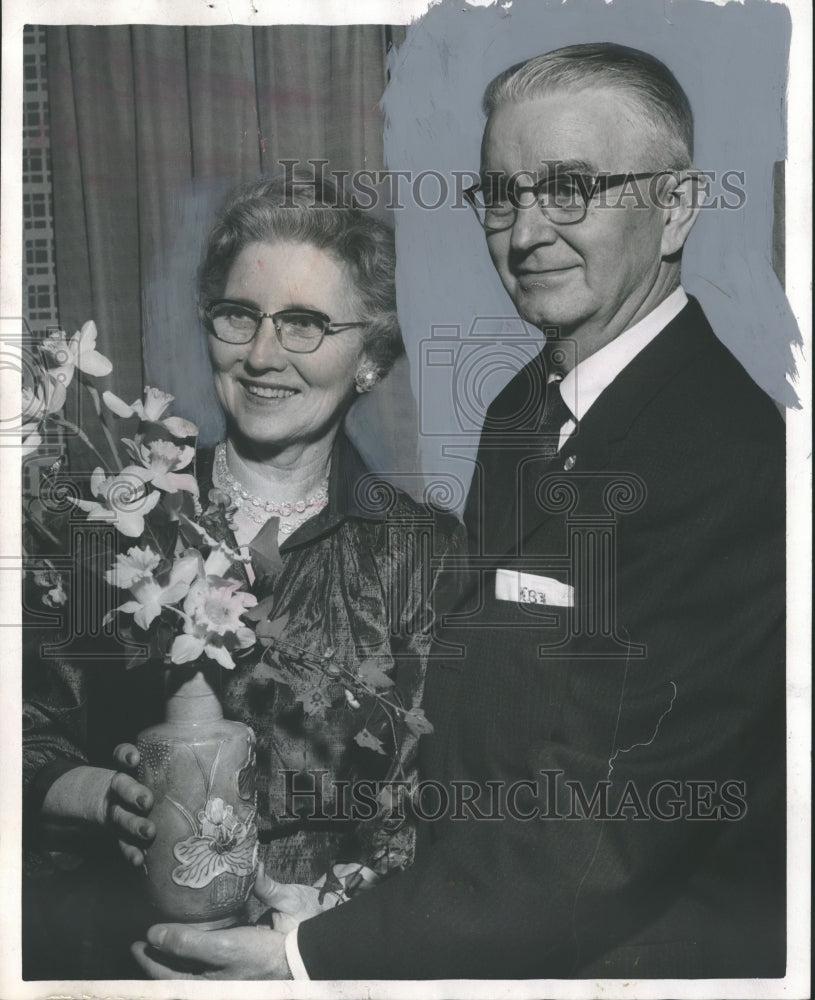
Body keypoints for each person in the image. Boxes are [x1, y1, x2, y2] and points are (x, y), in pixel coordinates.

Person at [132, 42, 786, 980]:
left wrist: (312, 957)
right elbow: (480, 737)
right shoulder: (525, 405)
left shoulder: (723, 457)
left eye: (569, 188)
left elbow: (602, 827)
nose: (525, 233)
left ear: (676, 206)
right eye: (501, 195)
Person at [22, 175, 464, 977]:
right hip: (121, 962)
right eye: (239, 316)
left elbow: (445, 802)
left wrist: (315, 941)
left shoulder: (427, 556)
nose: (262, 356)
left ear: (369, 355)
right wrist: (95, 795)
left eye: (305, 326)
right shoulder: (109, 522)